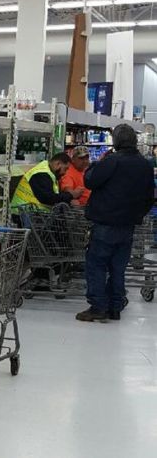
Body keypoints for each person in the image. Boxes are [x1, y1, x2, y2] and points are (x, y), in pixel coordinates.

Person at [76, 124, 154, 322]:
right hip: (128, 224)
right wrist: (136, 215)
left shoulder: (112, 161)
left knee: (97, 264)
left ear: (116, 141)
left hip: (105, 221)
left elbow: (90, 181)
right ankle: (115, 306)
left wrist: (96, 163)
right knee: (118, 267)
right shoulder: (144, 164)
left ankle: (97, 307)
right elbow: (149, 197)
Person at [10, 152, 84, 218]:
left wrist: (68, 199)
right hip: (24, 214)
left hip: (32, 213)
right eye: (65, 169)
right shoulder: (41, 174)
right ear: (58, 164)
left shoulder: (49, 173)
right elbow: (47, 198)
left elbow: (52, 195)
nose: (65, 173)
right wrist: (71, 195)